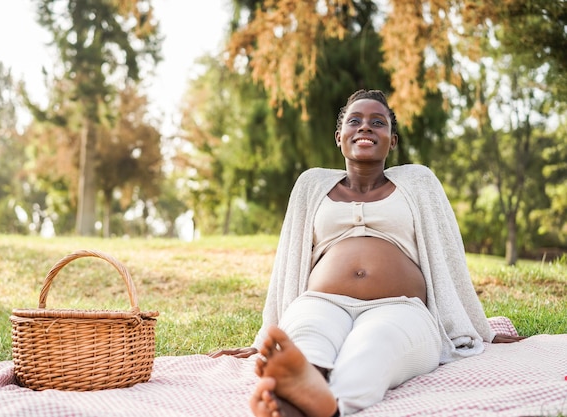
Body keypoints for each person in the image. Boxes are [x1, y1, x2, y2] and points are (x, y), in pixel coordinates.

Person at [210, 89, 524, 417]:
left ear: (393, 140)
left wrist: (478, 327)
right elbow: (286, 264)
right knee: (306, 339)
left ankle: (324, 406)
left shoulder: (419, 181)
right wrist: (265, 336)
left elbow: (450, 260)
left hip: (399, 307)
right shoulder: (311, 184)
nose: (365, 128)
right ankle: (301, 386)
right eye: (354, 121)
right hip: (321, 302)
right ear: (339, 136)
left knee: (375, 345)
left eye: (378, 122)